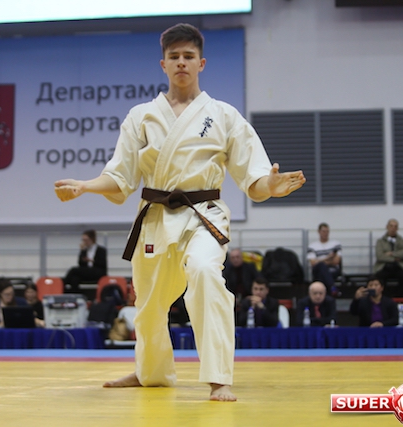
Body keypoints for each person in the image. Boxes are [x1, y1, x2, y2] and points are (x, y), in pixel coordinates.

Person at [54, 23, 305, 401]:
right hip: (155, 216)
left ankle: (219, 377)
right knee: (149, 302)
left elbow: (252, 177)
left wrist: (269, 186)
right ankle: (151, 373)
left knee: (205, 272)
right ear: (164, 64)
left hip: (203, 213)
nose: (181, 62)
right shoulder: (141, 116)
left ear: (201, 63)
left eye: (189, 56)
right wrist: (86, 186)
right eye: (174, 57)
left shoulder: (224, 115)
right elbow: (120, 177)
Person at [374, 219, 403, 296]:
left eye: (395, 226)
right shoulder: (380, 241)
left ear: (397, 228)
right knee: (379, 278)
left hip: (400, 266)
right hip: (384, 266)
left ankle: (400, 297)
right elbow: (380, 256)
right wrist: (394, 259)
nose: (393, 228)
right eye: (391, 226)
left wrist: (392, 253)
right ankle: (383, 298)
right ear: (387, 227)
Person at [307, 223, 342, 291]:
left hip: (332, 270)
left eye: (327, 231)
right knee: (321, 266)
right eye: (323, 231)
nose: (325, 233)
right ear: (319, 232)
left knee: (322, 273)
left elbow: (336, 262)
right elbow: (313, 263)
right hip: (317, 270)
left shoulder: (336, 244)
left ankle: (323, 291)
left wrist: (319, 261)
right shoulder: (312, 246)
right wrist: (328, 258)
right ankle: (332, 287)